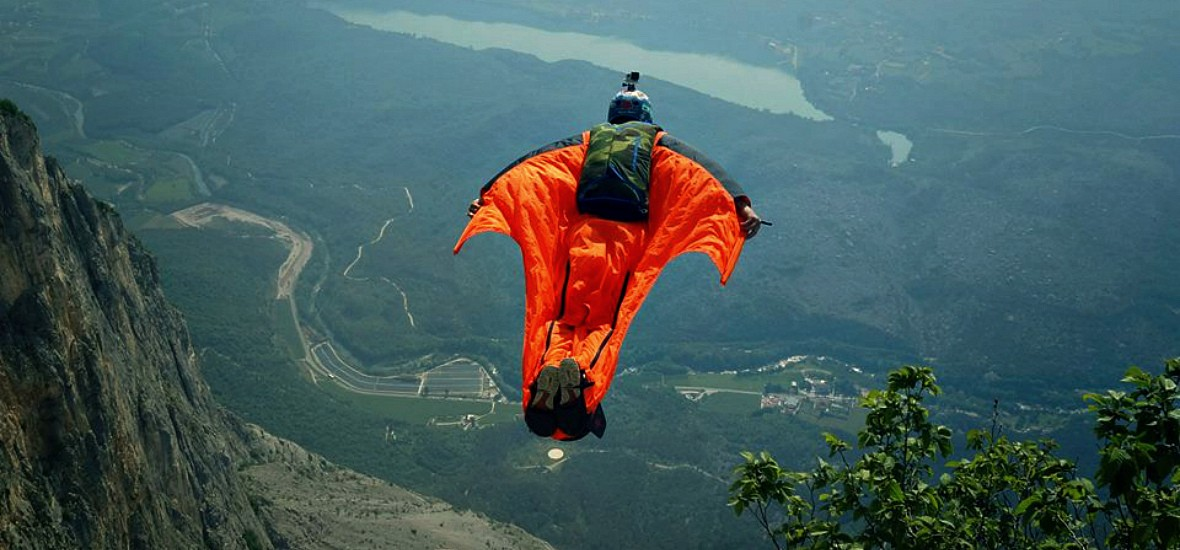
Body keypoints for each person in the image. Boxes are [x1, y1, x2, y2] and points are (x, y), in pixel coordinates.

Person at [455, 72, 761, 441]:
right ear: (645, 116)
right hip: (623, 243)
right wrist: (741, 206)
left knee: (565, 318)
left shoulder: (584, 143)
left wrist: (487, 197)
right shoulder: (659, 144)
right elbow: (708, 173)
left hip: (579, 239)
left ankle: (551, 367)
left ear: (612, 115)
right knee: (605, 322)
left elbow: (531, 163)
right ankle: (581, 374)